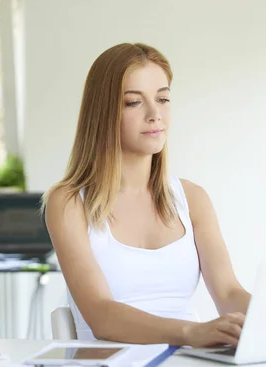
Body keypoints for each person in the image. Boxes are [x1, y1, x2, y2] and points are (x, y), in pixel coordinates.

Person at [43, 43, 251, 348]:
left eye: (163, 98)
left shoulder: (192, 198)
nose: (156, 114)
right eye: (133, 103)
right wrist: (191, 333)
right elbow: (101, 315)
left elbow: (229, 293)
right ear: (103, 112)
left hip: (188, 366)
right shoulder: (69, 203)